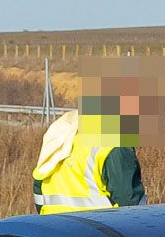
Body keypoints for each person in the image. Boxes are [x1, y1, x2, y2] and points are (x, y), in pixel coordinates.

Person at [32, 82, 147, 213]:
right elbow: (130, 204)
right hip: (98, 229)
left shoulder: (62, 129)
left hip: (53, 227)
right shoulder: (114, 141)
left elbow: (39, 188)